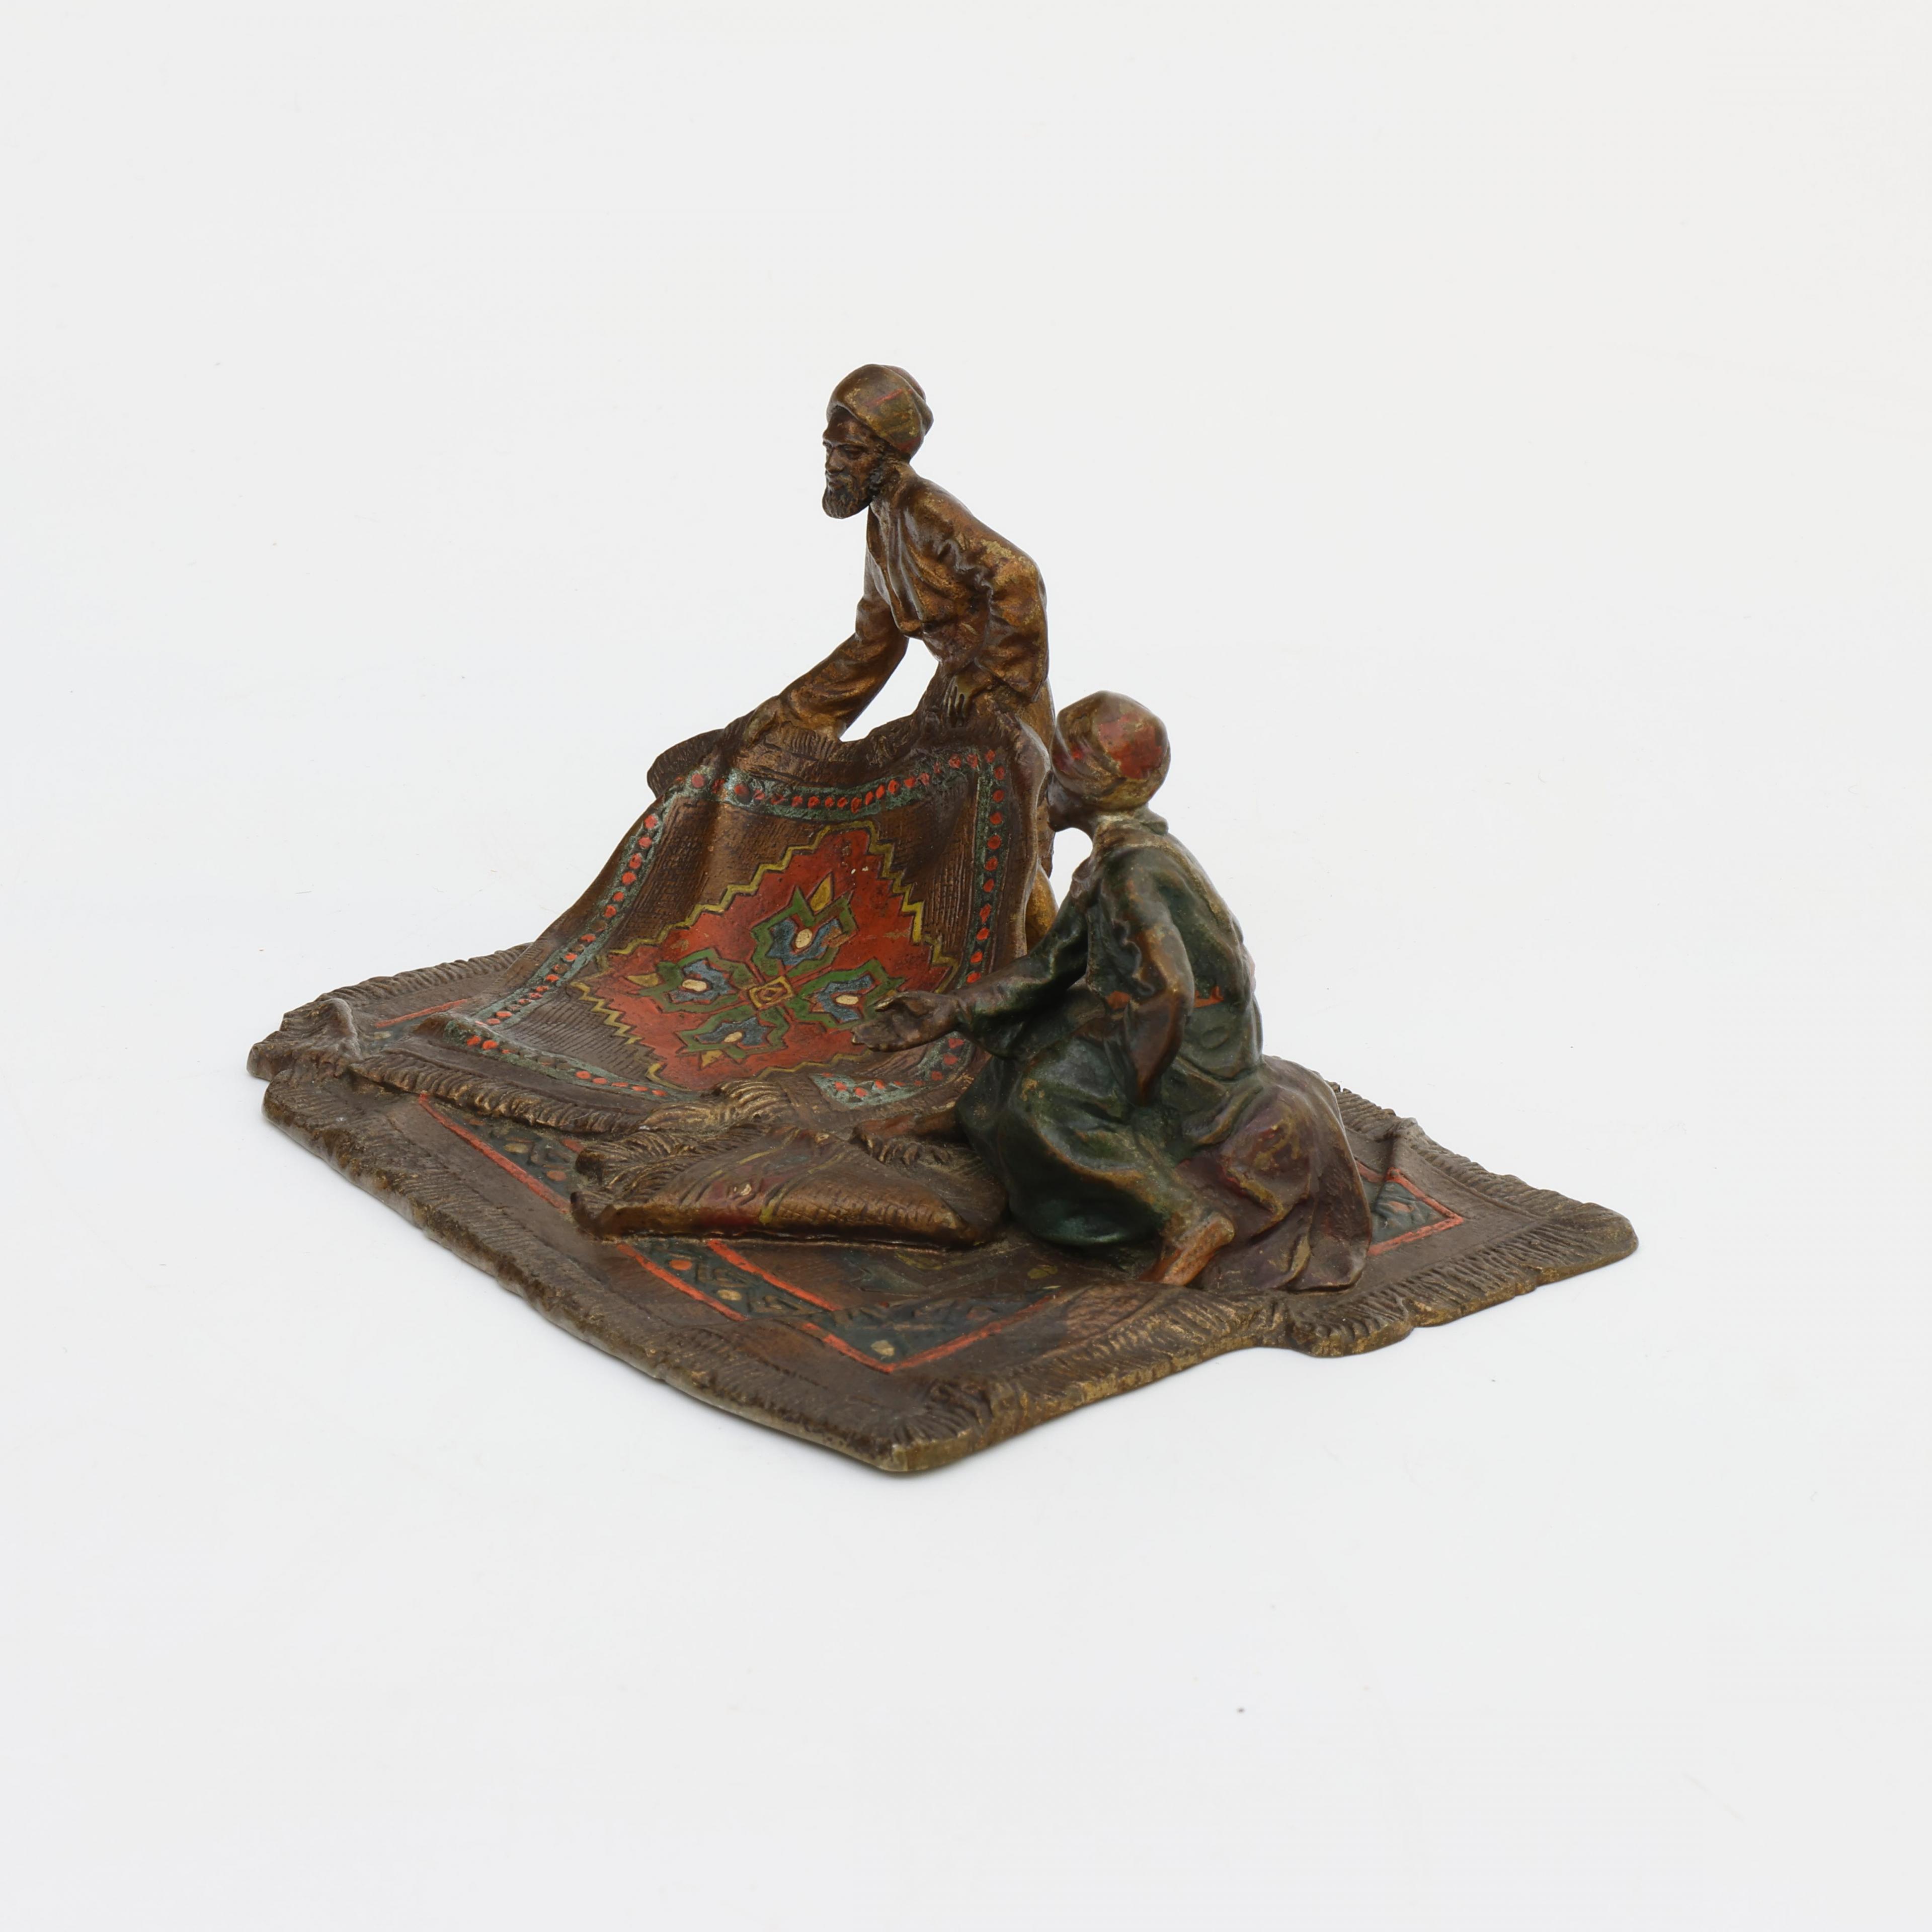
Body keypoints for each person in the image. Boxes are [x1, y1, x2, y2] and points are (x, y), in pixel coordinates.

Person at [856, 692, 1372, 1291]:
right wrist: (949, 1011)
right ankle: (970, 1119)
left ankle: (1186, 1219)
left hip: (1193, 1050)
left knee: (1049, 1099)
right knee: (1040, 1021)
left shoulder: (1134, 871)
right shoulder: (1112, 860)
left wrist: (1131, 1085)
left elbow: (1171, 990)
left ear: (1086, 786)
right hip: (1148, 1017)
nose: (1043, 787)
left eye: (1054, 771)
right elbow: (1050, 966)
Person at [738, 364, 1056, 936]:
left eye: (852, 452)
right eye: (831, 448)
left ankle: (1046, 964)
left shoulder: (924, 508)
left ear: (888, 457)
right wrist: (790, 713)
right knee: (934, 833)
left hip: (1002, 697)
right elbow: (873, 643)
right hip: (955, 698)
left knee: (1011, 846)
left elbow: (1017, 577)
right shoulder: (882, 526)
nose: (835, 464)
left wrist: (984, 672)